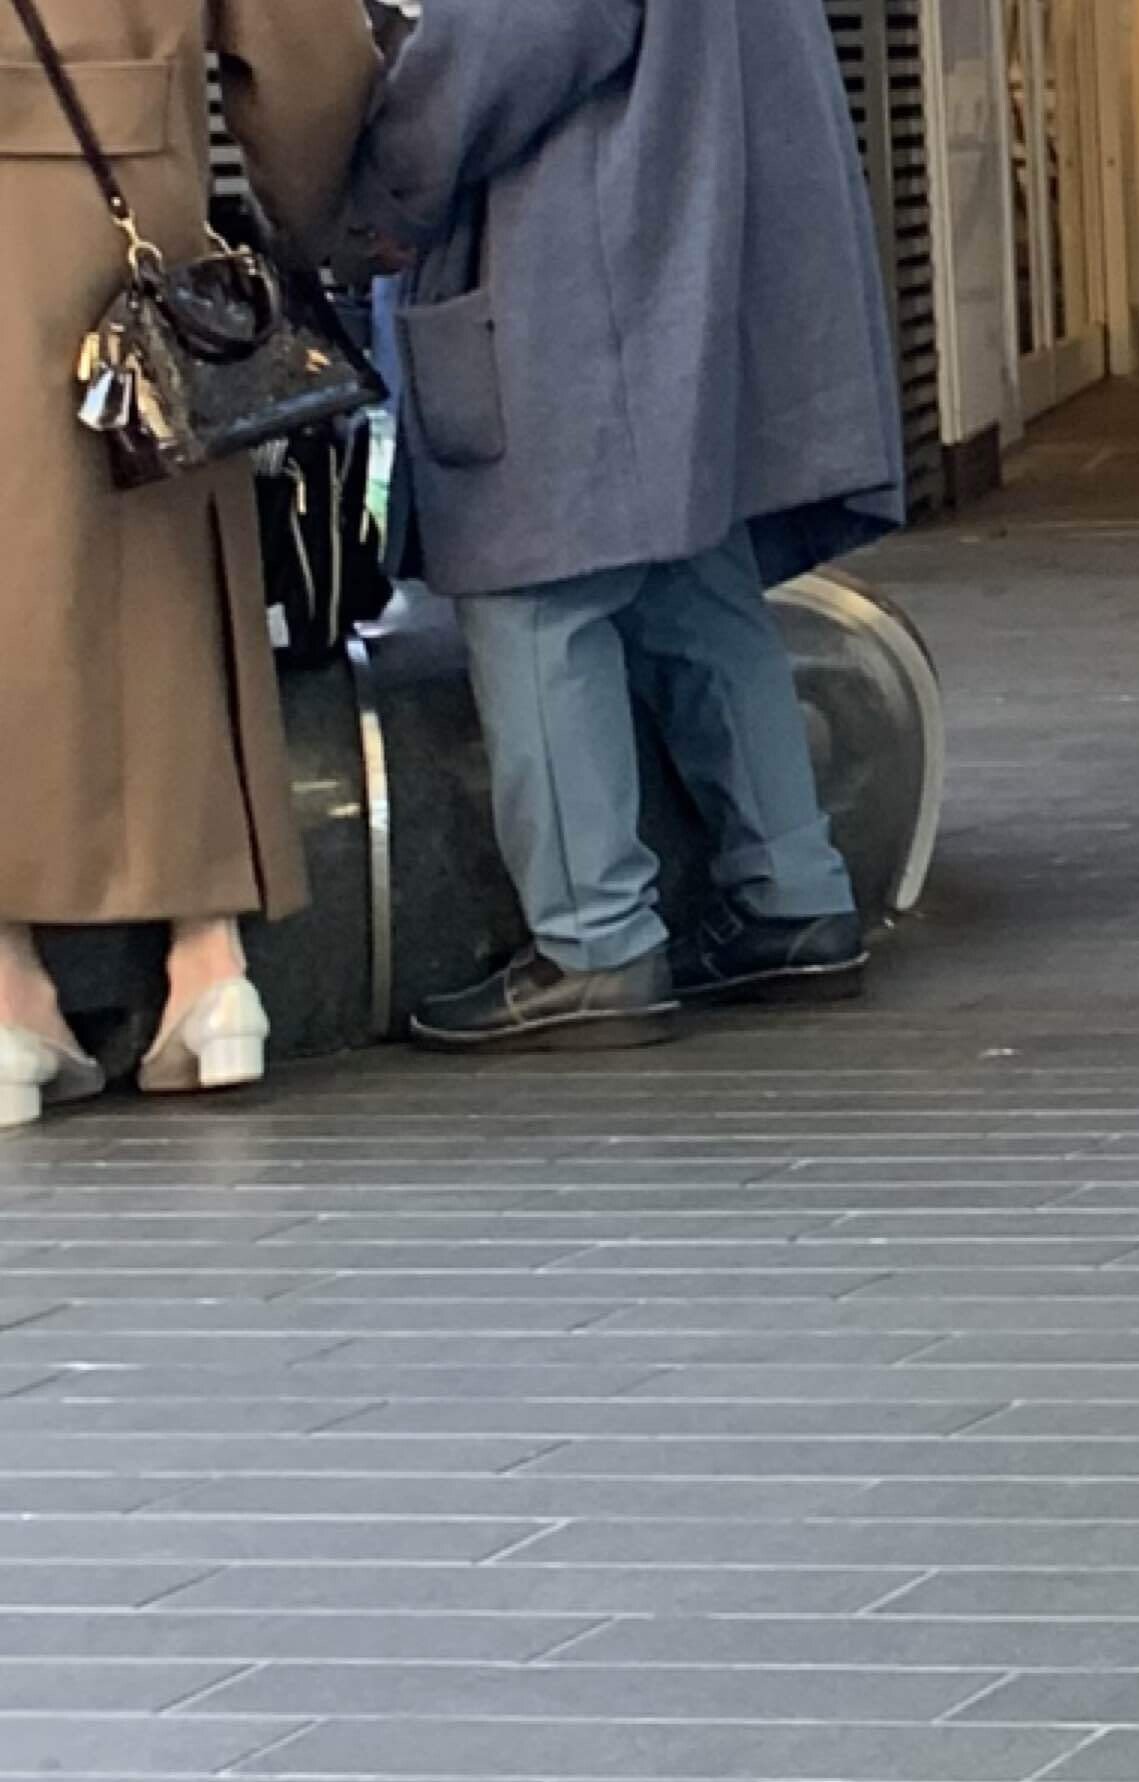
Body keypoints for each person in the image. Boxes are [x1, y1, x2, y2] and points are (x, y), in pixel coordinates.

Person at [351, 0, 905, 1054]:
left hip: (575, 259)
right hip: (691, 239)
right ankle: (793, 898)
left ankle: (591, 947)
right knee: (694, 574)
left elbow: (495, 47)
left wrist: (370, 190)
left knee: (534, 585)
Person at [0, 0, 375, 1125]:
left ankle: (11, 991)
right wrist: (302, 221)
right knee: (168, 584)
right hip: (139, 220)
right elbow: (310, 56)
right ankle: (209, 972)